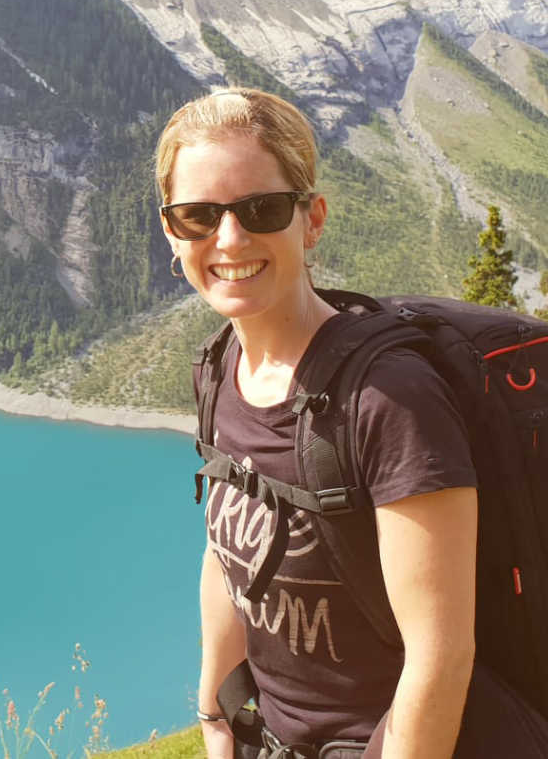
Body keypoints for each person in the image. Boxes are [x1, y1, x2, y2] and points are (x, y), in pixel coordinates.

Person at [154, 88, 548, 758]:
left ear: (312, 219)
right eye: (198, 215)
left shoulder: (389, 399)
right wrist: (215, 717)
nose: (229, 238)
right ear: (172, 230)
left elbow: (441, 656)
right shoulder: (219, 369)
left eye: (262, 208)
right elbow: (227, 557)